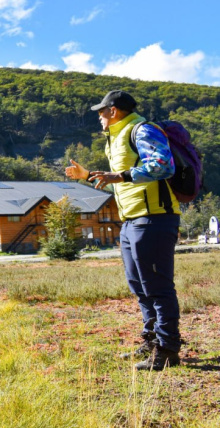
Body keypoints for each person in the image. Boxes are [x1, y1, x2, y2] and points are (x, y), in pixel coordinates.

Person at [65, 90, 181, 371]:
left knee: (157, 287)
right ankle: (151, 341)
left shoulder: (142, 130)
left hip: (154, 217)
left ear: (114, 111)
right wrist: (90, 175)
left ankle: (167, 351)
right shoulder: (116, 137)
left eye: (101, 111)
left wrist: (119, 176)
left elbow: (163, 166)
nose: (99, 117)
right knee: (139, 287)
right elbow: (119, 176)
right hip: (131, 221)